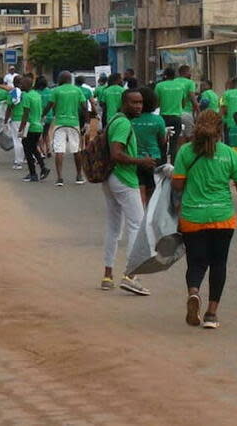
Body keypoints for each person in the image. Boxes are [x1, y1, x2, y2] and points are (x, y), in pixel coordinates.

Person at [172, 110, 237, 328]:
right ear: (220, 130)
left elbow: (177, 185)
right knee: (219, 263)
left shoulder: (185, 152)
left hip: (192, 217)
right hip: (223, 218)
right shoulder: (231, 155)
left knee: (196, 262)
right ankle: (211, 314)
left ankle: (194, 292)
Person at [100, 89, 156, 294]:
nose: (138, 106)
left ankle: (108, 274)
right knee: (137, 226)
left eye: (140, 102)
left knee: (114, 227)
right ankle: (130, 275)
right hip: (124, 177)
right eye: (134, 103)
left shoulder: (115, 119)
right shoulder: (123, 123)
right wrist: (141, 161)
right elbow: (116, 153)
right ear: (124, 103)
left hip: (110, 178)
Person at [43, 71, 88, 186]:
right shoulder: (77, 90)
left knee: (59, 150)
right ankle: (79, 176)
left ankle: (59, 178)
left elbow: (49, 105)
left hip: (59, 123)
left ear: (60, 79)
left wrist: (42, 115)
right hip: (74, 123)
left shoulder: (56, 91)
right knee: (76, 149)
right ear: (70, 79)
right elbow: (84, 106)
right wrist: (87, 122)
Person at [130, 86, 167, 204]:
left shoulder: (130, 120)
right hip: (153, 158)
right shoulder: (158, 120)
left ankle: (140, 216)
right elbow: (162, 141)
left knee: (139, 189)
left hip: (135, 159)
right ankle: (148, 216)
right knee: (152, 190)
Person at [17, 77, 51, 182]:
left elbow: (26, 114)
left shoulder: (26, 96)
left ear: (28, 85)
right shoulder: (36, 95)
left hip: (30, 127)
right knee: (33, 148)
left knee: (27, 150)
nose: (20, 86)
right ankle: (43, 168)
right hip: (38, 126)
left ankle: (33, 174)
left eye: (22, 84)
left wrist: (20, 129)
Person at [155, 68, 188, 163]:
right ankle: (174, 165)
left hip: (163, 118)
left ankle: (162, 164)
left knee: (162, 143)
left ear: (165, 75)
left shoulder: (159, 86)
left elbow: (156, 103)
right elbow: (183, 102)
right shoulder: (181, 86)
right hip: (176, 118)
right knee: (174, 142)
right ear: (175, 75)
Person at [3, 75, 26, 170]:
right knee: (24, 140)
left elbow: (9, 107)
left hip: (16, 119)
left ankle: (18, 162)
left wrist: (5, 120)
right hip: (25, 119)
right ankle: (25, 158)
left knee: (17, 141)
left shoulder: (12, 93)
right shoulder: (25, 93)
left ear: (14, 83)